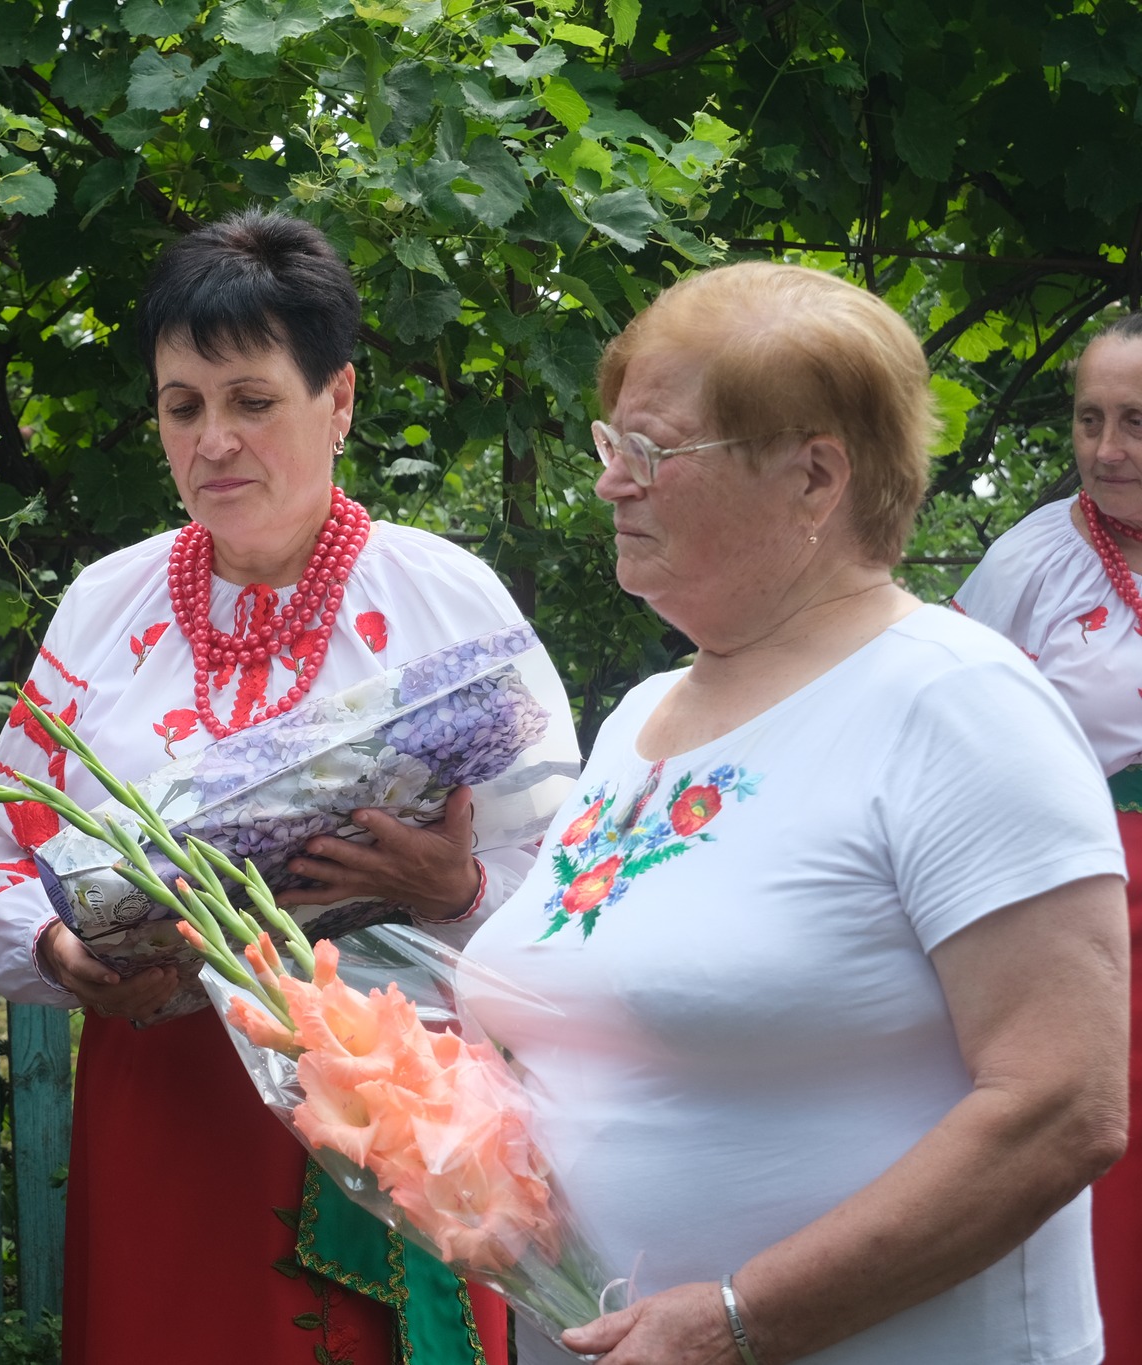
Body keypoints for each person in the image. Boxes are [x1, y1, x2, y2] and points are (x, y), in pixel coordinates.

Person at [463, 261, 1130, 1365]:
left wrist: (739, 1320)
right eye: (608, 443)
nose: (610, 484)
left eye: (651, 452)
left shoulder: (956, 702)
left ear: (813, 477)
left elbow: (1062, 1103)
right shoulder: (637, 718)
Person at [0, 210, 575, 1365]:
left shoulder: (445, 602)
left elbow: (566, 895)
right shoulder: (105, 608)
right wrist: (55, 948)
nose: (213, 441)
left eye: (251, 401)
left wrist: (449, 890)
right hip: (165, 1106)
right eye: (180, 405)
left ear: (336, 400)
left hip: (393, 1111)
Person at [952, 311, 1142, 1365]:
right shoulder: (1029, 562)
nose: (1106, 448)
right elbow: (952, 737)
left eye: (1135, 422)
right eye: (1088, 418)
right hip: (1090, 901)